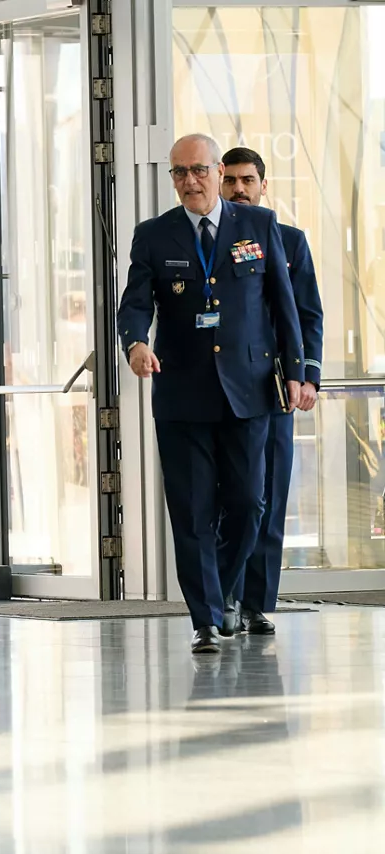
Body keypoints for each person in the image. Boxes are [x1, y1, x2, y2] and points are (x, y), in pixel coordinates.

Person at [117, 134, 305, 655]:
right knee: (193, 511)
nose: (189, 181)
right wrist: (134, 343)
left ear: (219, 171)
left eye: (198, 170)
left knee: (249, 503)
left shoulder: (259, 226)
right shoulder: (154, 235)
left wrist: (295, 372)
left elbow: (284, 306)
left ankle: (220, 590)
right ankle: (205, 619)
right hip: (182, 391)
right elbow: (134, 304)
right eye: (178, 173)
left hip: (249, 389)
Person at [220, 146, 323, 635]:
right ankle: (224, 596)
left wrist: (306, 376)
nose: (240, 189)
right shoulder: (208, 242)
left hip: (275, 390)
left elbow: (306, 315)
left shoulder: (289, 240)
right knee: (232, 500)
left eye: (248, 181)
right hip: (223, 395)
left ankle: (257, 602)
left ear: (264, 185)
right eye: (231, 181)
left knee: (271, 494)